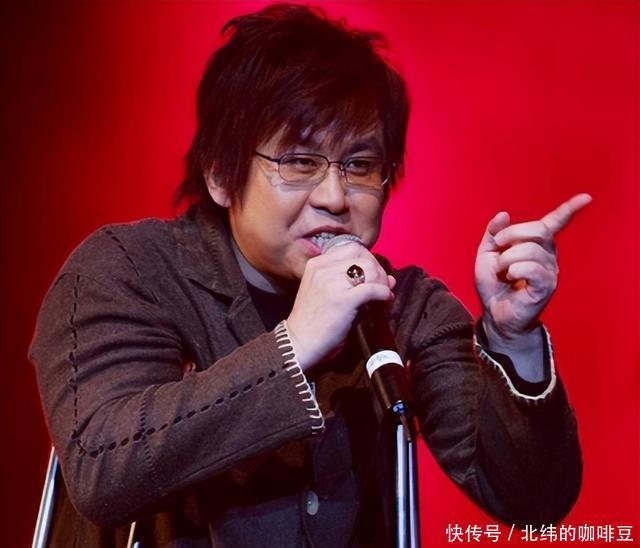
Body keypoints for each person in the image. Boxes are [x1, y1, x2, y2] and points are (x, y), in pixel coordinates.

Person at [29, 4, 588, 547]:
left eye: (360, 166)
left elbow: (533, 506)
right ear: (221, 173)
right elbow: (103, 469)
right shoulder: (130, 271)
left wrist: (512, 340)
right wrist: (293, 346)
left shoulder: (402, 304)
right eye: (300, 162)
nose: (335, 197)